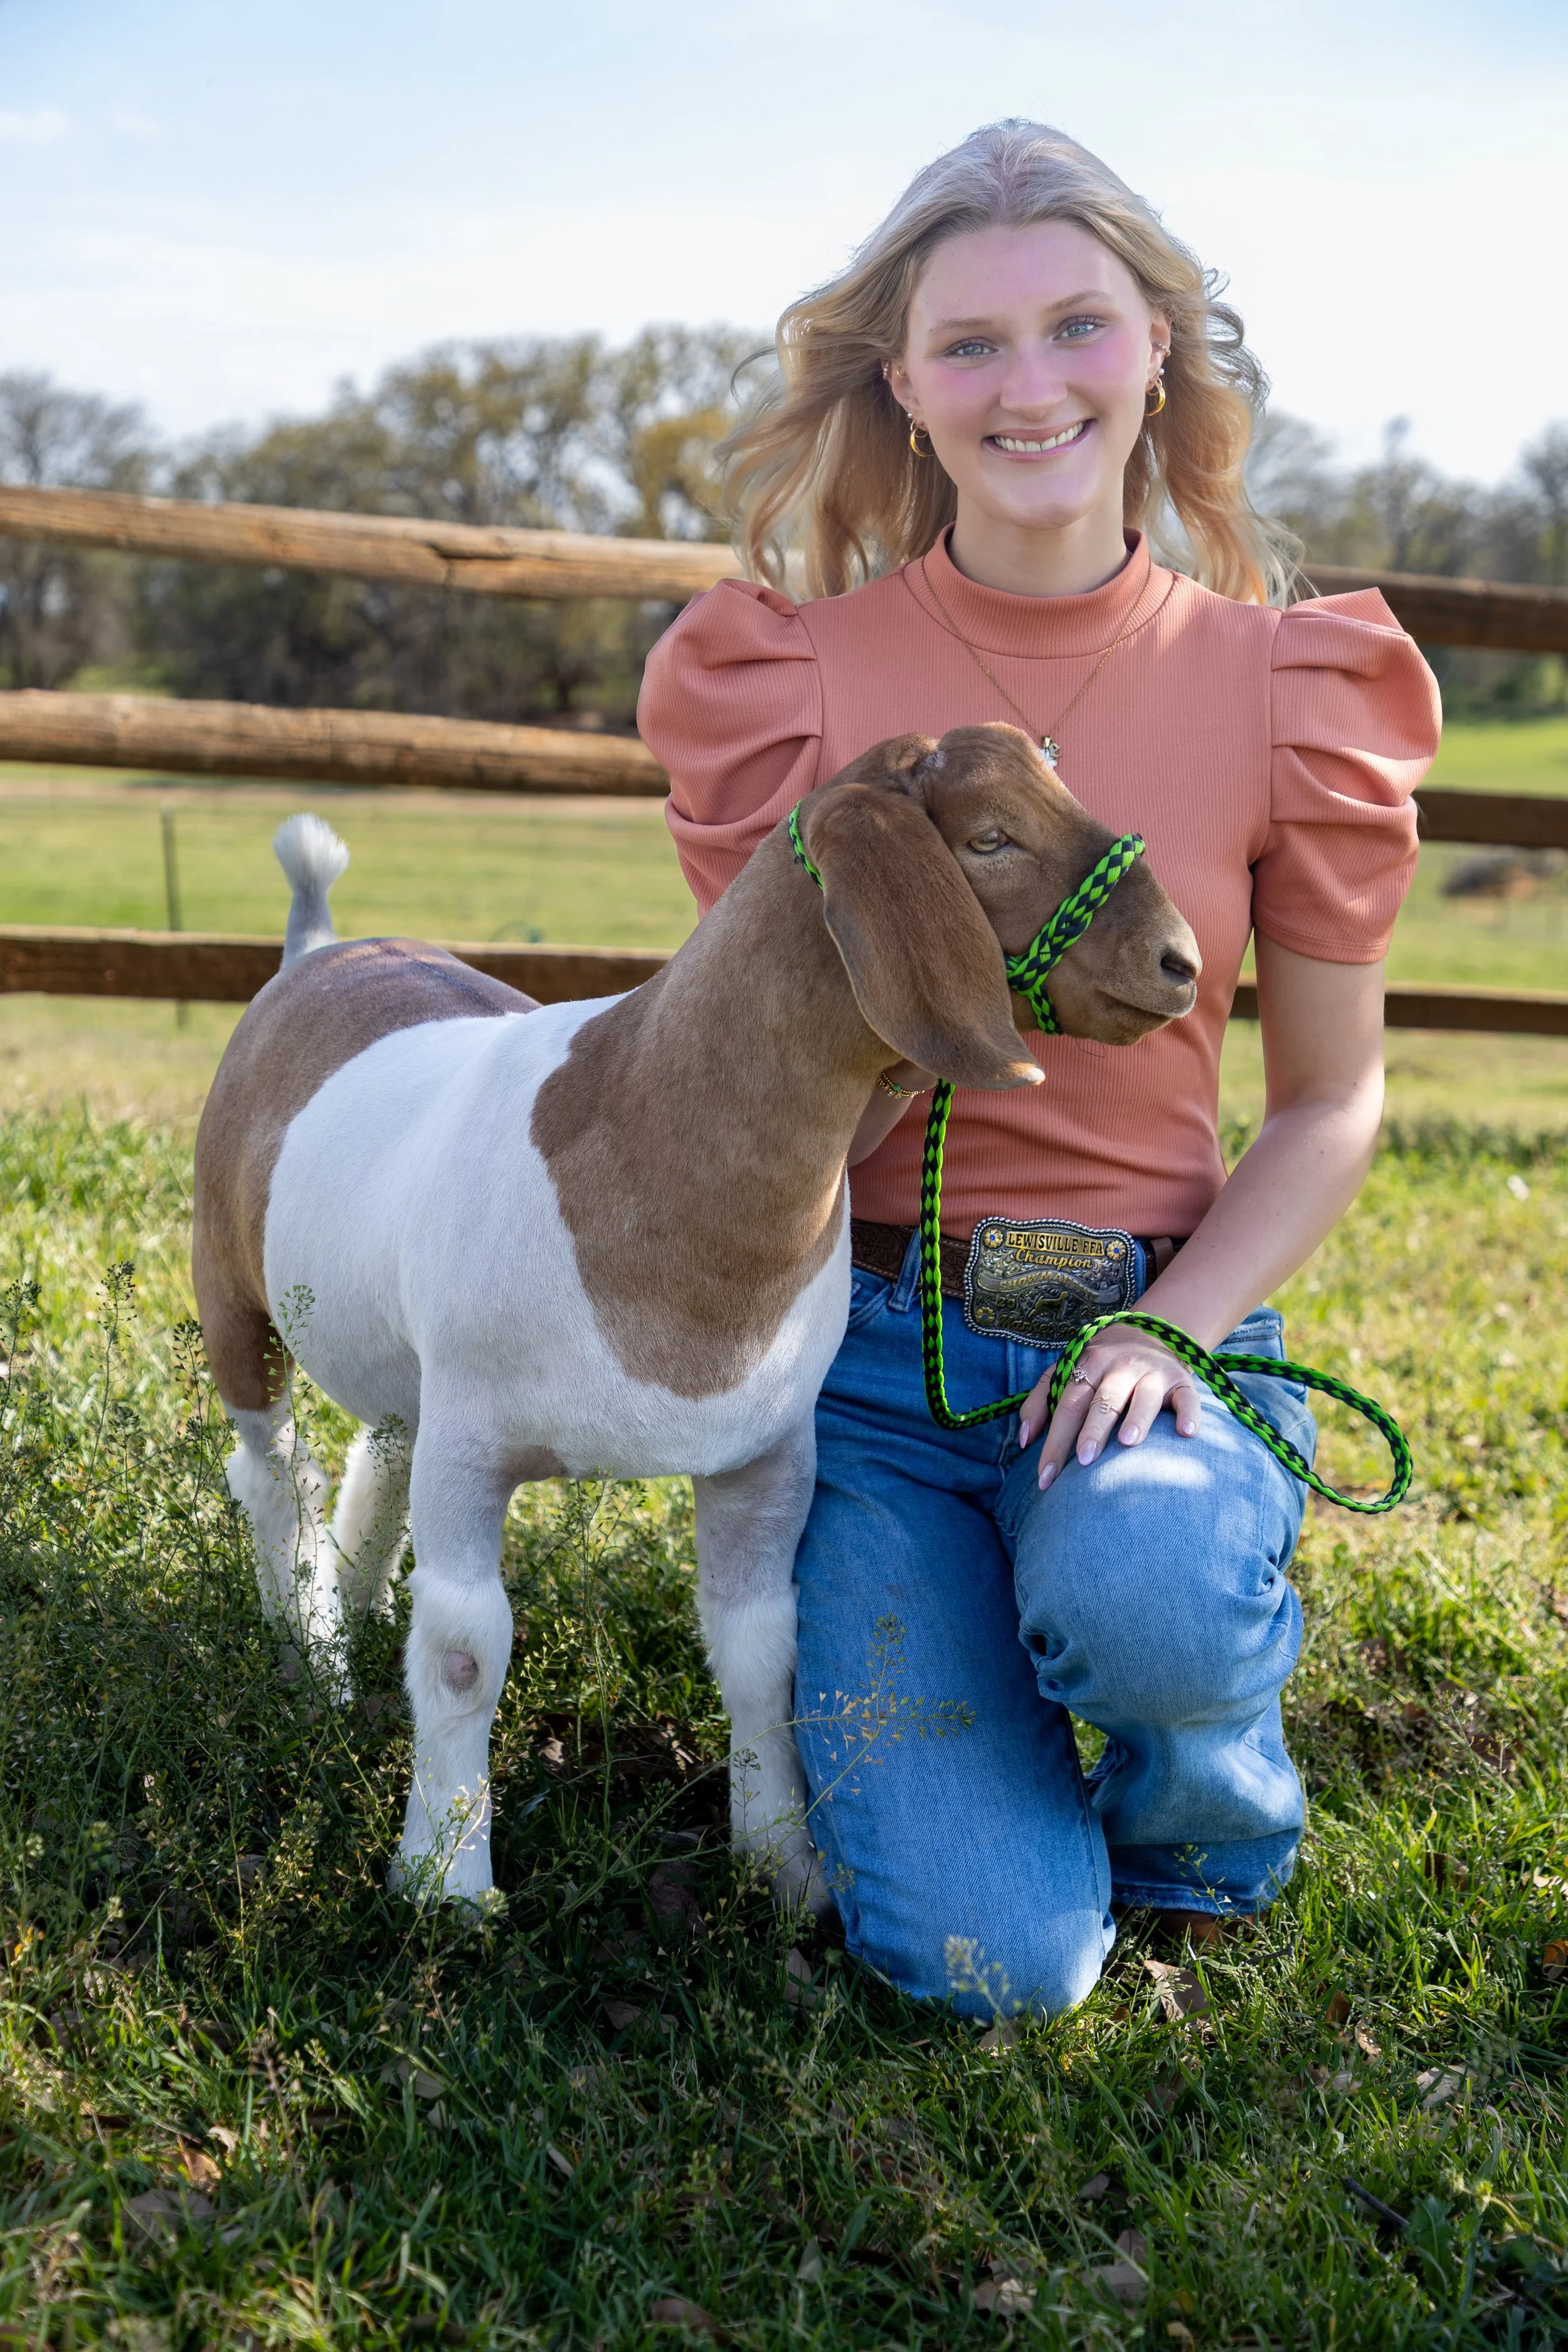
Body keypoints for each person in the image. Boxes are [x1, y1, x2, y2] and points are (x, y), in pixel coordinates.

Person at [638, 119, 1440, 2017]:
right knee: (984, 1963)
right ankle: (989, 1684)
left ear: (1157, 345)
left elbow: (1330, 1099)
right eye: (971, 344)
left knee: (1146, 1605)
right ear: (902, 387)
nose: (1029, 386)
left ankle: (1202, 1813)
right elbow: (760, 1077)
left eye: (1076, 326)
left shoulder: (1285, 683)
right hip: (871, 1373)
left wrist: (1170, 1333)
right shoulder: (788, 685)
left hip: (1155, 1336)